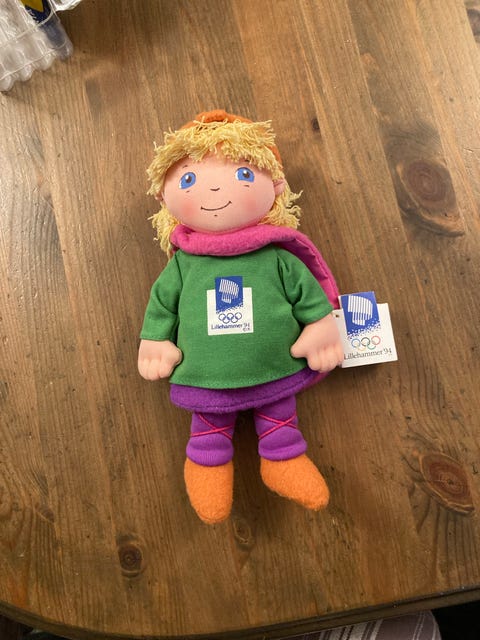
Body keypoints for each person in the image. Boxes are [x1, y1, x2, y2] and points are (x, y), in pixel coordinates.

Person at [138, 110, 343, 524]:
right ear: (164, 197)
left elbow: (307, 293)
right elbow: (161, 304)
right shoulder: (183, 264)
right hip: (207, 372)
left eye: (244, 174)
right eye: (189, 179)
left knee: (279, 413)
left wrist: (321, 327)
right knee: (209, 422)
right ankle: (206, 465)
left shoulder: (276, 255)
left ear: (276, 186)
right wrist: (155, 339)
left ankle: (283, 458)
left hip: (274, 363)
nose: (215, 188)